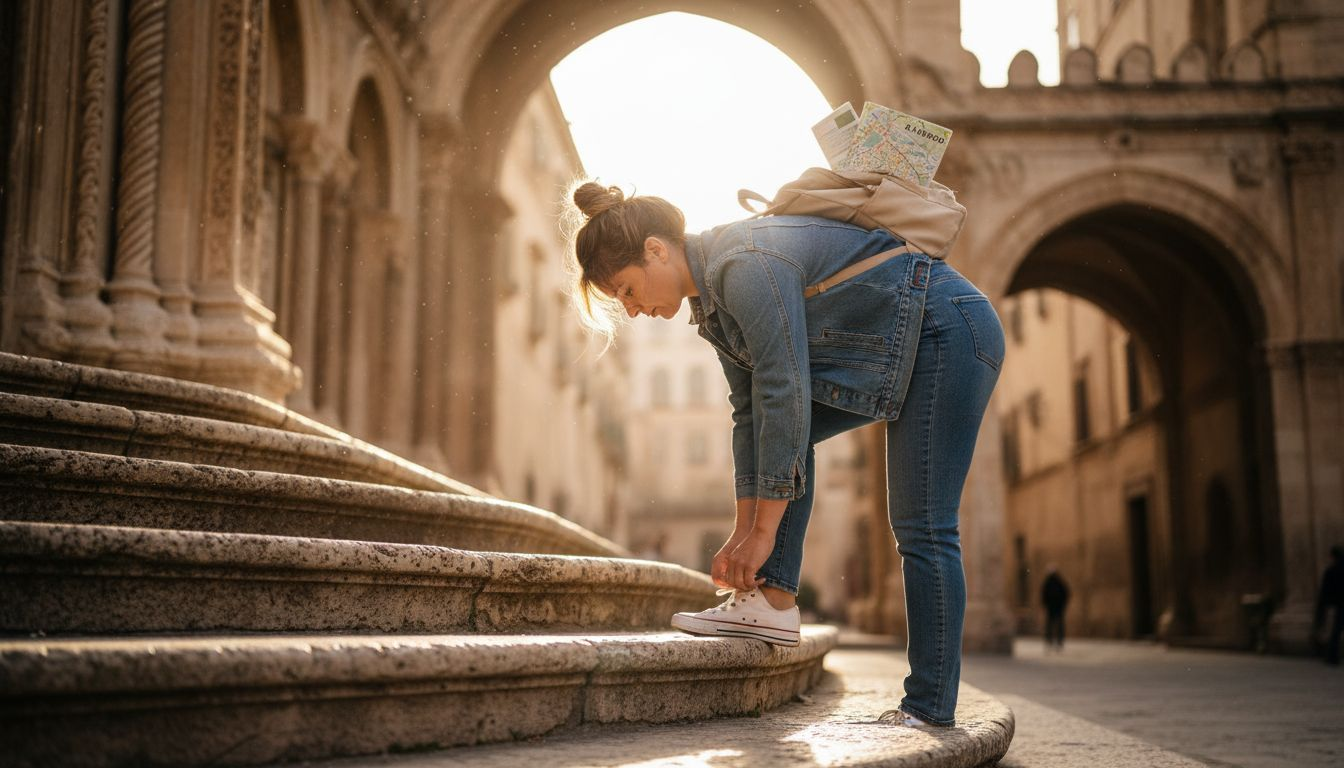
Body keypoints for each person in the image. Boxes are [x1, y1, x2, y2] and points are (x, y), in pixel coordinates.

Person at [563, 181, 1003, 728]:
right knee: (779, 429)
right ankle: (771, 603)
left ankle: (929, 708)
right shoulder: (711, 307)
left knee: (923, 525)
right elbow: (750, 416)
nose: (630, 311)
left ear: (657, 249)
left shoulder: (741, 264)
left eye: (627, 290)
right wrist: (744, 532)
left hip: (947, 331)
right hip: (899, 344)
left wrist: (765, 534)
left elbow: (785, 388)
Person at [1315, 545, 1343, 665]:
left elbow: (1325, 591)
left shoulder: (1331, 570)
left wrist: (1322, 607)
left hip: (1339, 605)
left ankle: (1332, 657)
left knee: (1336, 631)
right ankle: (1332, 656)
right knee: (1336, 631)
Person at [1041, 566, 1069, 651]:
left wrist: (1045, 604)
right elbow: (1066, 594)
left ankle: (1051, 641)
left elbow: (1043, 595)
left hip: (1052, 608)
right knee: (1057, 625)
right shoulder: (1059, 582)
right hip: (1058, 608)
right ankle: (1057, 641)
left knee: (1051, 625)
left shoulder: (1049, 583)